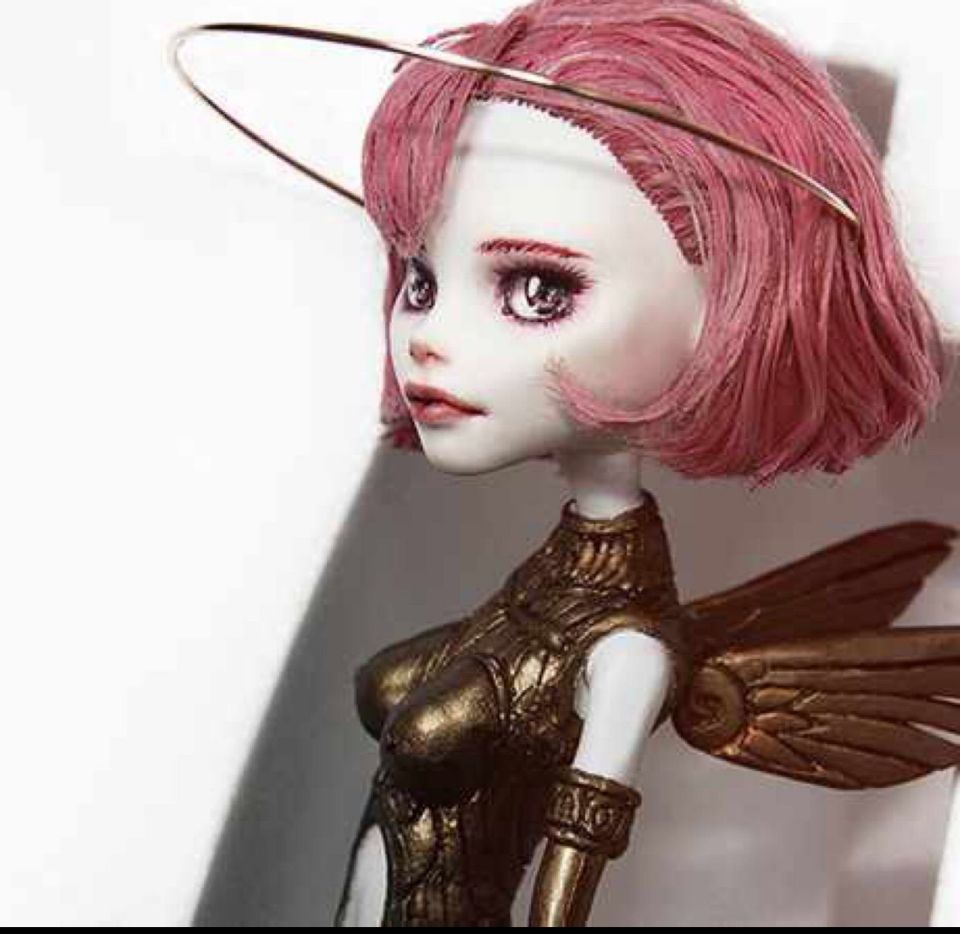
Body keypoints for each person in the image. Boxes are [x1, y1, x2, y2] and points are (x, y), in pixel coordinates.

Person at [326, 0, 955, 926]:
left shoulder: (625, 646)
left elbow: (570, 874)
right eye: (420, 280)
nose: (426, 337)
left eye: (539, 289)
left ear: (728, 310)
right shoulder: (549, 585)